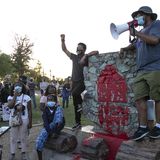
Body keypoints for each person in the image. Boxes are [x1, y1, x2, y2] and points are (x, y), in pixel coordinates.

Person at [119, 6, 160, 140]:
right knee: (139, 99)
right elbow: (136, 44)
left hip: (155, 67)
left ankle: (158, 127)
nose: (136, 18)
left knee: (157, 98)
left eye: (138, 15)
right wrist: (124, 48)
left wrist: (136, 33)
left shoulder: (156, 25)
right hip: (141, 70)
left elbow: (154, 40)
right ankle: (142, 128)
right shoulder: (141, 31)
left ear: (147, 15)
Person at [60, 34, 99, 130]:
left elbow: (96, 51)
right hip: (74, 82)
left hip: (82, 82)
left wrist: (86, 55)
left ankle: (82, 104)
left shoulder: (86, 57)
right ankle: (78, 123)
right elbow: (64, 50)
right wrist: (63, 40)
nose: (77, 49)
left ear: (83, 49)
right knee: (75, 105)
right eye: (77, 47)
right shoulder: (74, 57)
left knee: (75, 94)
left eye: (79, 48)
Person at [7, 81, 32, 160]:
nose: (18, 86)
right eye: (16, 85)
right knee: (13, 138)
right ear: (13, 88)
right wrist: (15, 95)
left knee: (23, 137)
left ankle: (23, 153)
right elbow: (10, 106)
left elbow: (30, 110)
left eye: (20, 85)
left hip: (24, 119)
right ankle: (12, 153)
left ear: (23, 87)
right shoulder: (10, 97)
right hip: (13, 119)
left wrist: (30, 122)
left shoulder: (27, 97)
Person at [36, 94, 65, 160]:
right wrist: (50, 132)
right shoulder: (45, 110)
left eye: (51, 100)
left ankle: (55, 133)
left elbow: (61, 122)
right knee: (38, 142)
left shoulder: (58, 109)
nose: (50, 101)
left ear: (55, 101)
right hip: (48, 127)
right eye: (48, 100)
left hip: (57, 127)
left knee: (59, 111)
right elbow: (45, 123)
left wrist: (56, 132)